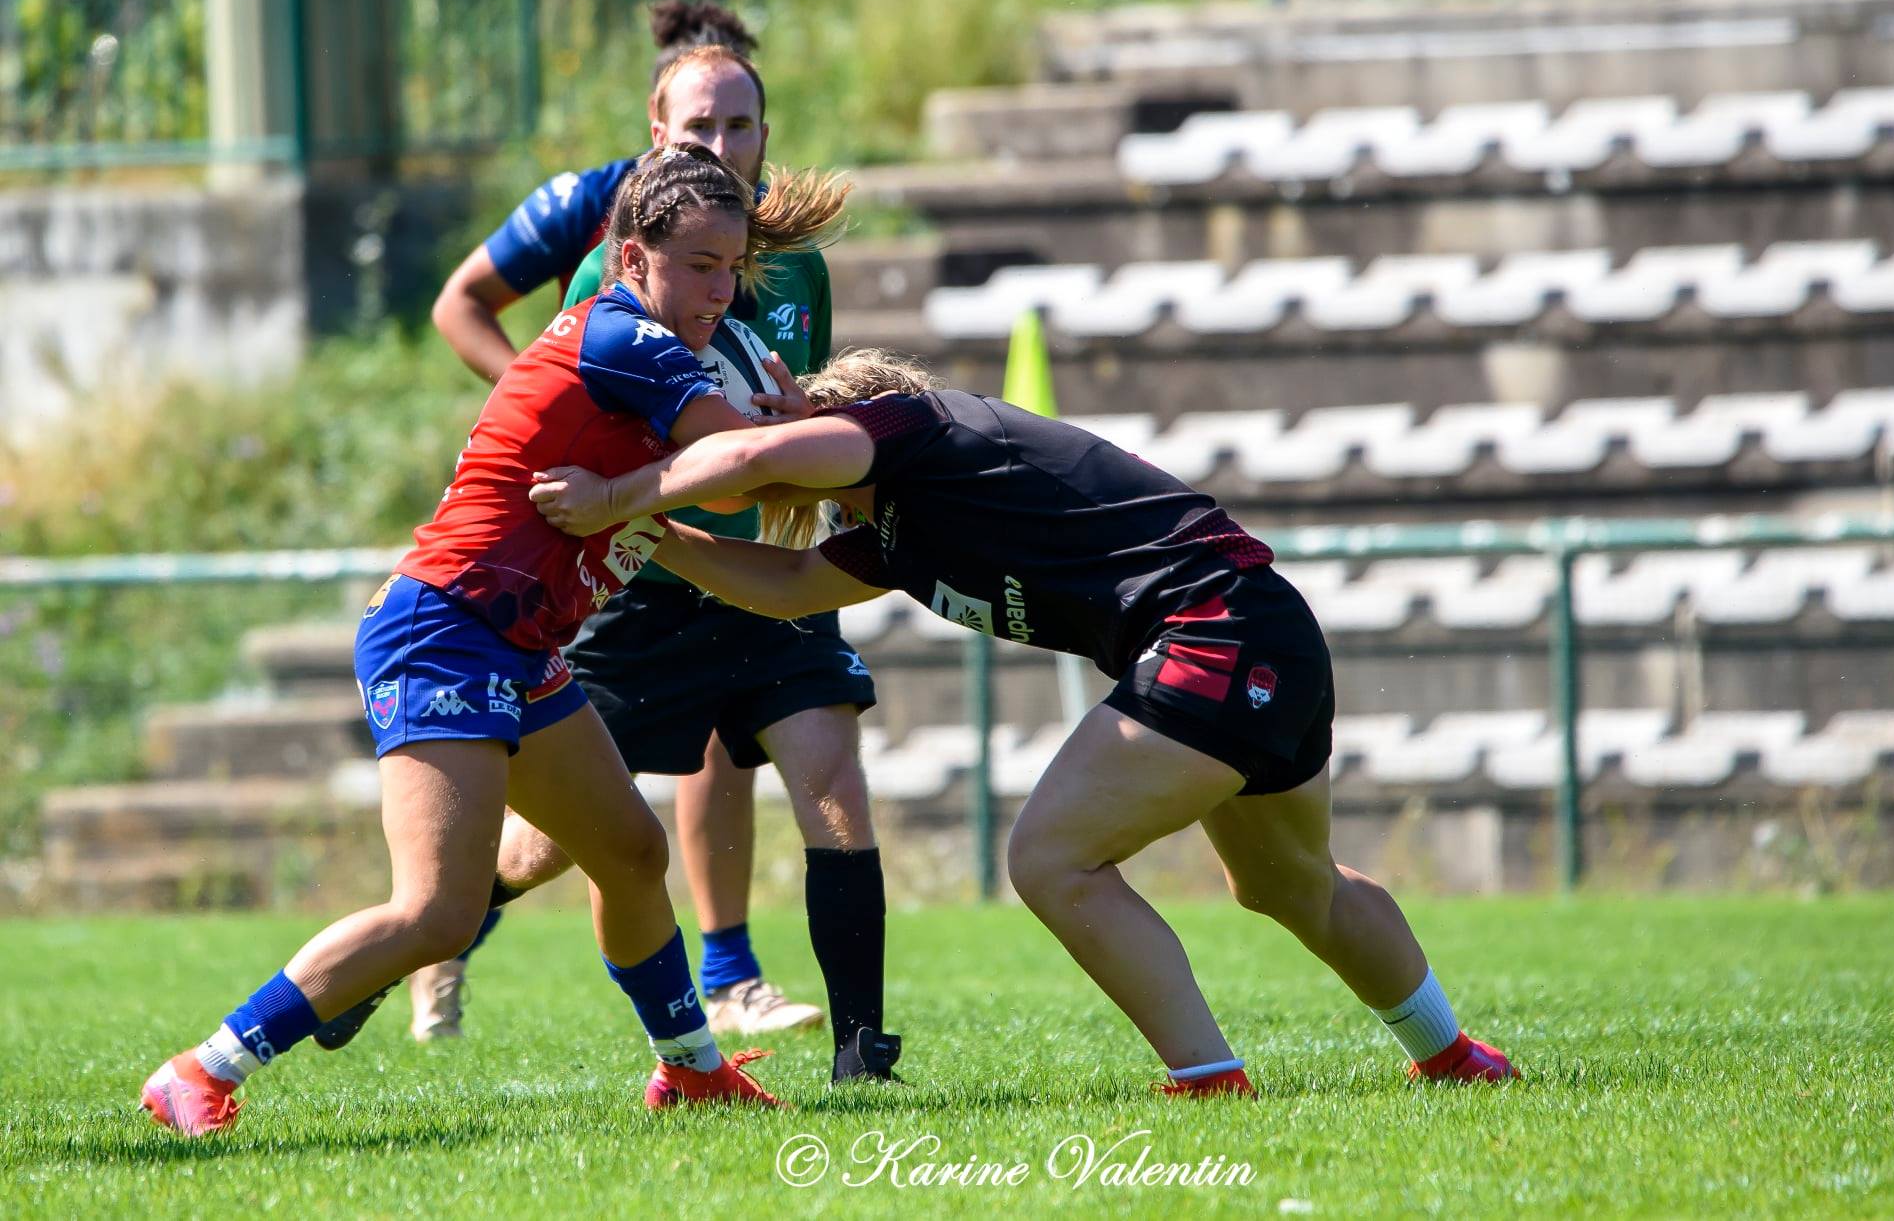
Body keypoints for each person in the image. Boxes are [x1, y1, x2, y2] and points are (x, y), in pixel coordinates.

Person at [526, 349, 1521, 1098]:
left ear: (839, 414)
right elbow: (787, 587)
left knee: (1051, 859)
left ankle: (1209, 1082)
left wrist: (624, 487)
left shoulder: (911, 431)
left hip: (1215, 630)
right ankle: (1456, 1059)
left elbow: (768, 452)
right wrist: (650, 532)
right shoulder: (900, 529)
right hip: (1256, 631)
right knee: (1284, 882)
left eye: (784, 426)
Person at [138, 145, 844, 1137]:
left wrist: (766, 440)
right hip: (446, 629)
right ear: (632, 257)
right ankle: (201, 1071)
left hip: (513, 646)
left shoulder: (664, 352)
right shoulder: (624, 337)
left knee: (630, 852)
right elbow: (731, 481)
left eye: (730, 268)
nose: (718, 291)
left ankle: (690, 1069)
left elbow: (729, 472)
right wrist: (785, 434)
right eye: (698, 265)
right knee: (436, 911)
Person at [393, 1, 887, 1075]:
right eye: (700, 127)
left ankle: (847, 1041)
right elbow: (487, 322)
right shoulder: (606, 251)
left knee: (821, 767)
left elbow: (780, 417)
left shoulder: (790, 264)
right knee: (566, 839)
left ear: (766, 133)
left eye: (743, 125)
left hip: (747, 570)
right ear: (656, 132)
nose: (722, 146)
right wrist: (608, 478)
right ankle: (438, 930)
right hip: (644, 565)